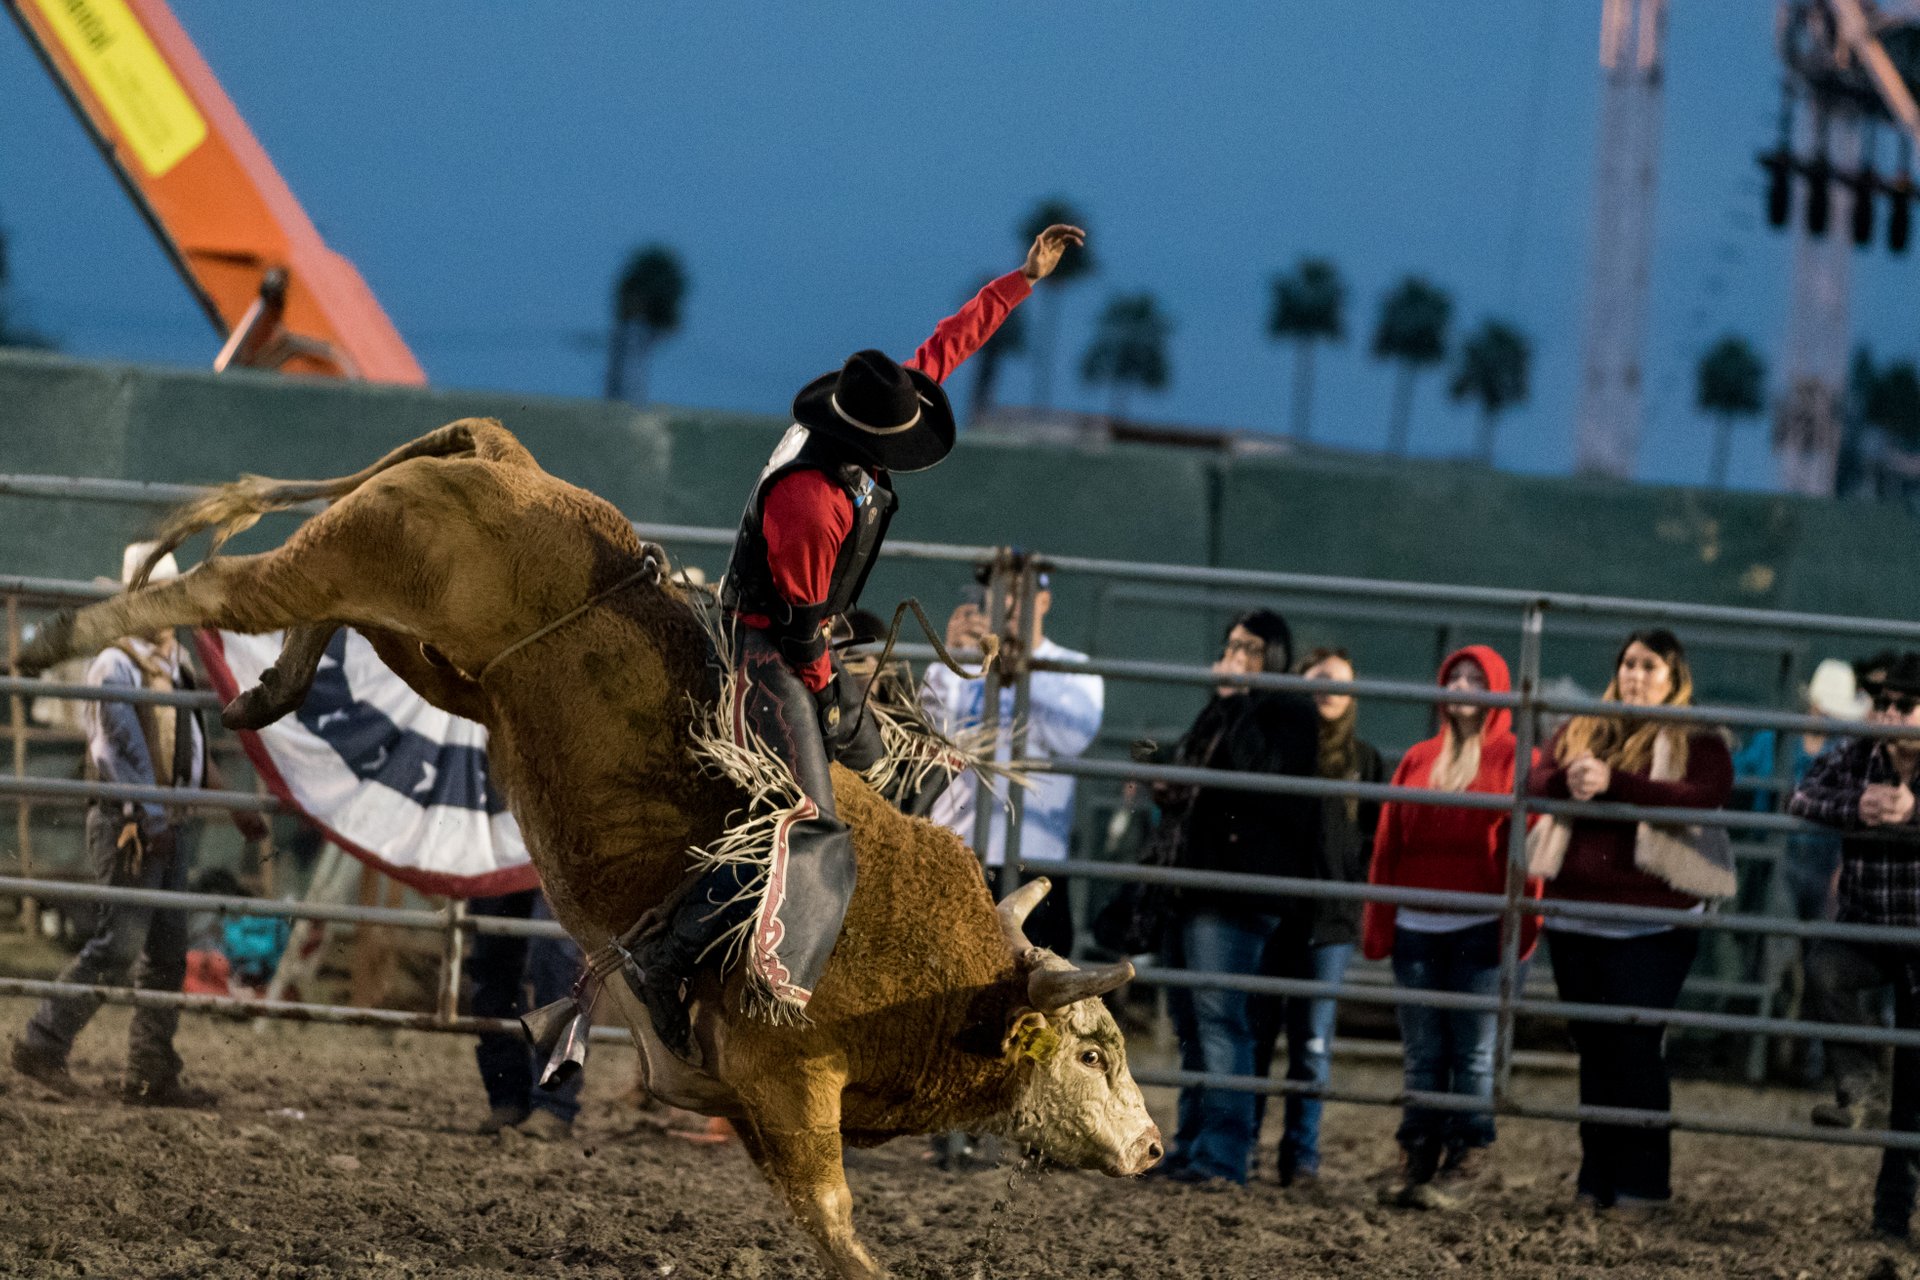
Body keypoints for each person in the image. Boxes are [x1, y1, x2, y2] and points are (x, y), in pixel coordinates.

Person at [630, 223, 1087, 1057]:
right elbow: (802, 628)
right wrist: (836, 682)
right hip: (763, 647)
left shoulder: (850, 439)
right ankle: (666, 957)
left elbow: (945, 348)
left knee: (904, 775)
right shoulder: (812, 501)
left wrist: (1019, 281)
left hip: (806, 634)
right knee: (812, 815)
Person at [11, 543, 269, 1104]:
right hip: (132, 827)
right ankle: (43, 1042)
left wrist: (230, 805)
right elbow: (112, 755)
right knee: (120, 947)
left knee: (164, 953)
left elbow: (191, 750)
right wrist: (151, 820)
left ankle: (149, 1070)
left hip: (164, 825)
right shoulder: (116, 665)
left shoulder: (172, 665)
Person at [1528, 628, 1734, 1212]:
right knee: (1594, 1047)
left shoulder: (1699, 737)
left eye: (1648, 666)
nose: (1633, 675)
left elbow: (1703, 794)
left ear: (1674, 676)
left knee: (1635, 1044)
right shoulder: (1581, 730)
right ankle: (1595, 1178)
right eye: (1627, 664)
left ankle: (1643, 1184)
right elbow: (1536, 777)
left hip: (1656, 918)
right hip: (1575, 915)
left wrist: (1613, 783)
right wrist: (1564, 779)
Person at [1364, 645, 1534, 1209]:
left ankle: (1466, 1159)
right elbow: (1388, 844)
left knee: (1474, 1053)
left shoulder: (1514, 759)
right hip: (1417, 926)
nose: (1462, 689)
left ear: (1497, 690)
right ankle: (1418, 1153)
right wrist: (1380, 922)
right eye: (1454, 678)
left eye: (1474, 679)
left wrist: (1522, 926)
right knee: (1423, 1050)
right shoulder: (1418, 758)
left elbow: (1525, 850)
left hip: (1481, 928)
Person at [1155, 610, 1321, 1185]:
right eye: (1230, 646)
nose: (1235, 657)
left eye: (1250, 648)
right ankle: (1191, 1146)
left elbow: (1258, 773)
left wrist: (1239, 699)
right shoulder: (1223, 709)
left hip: (1235, 888)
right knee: (1195, 1023)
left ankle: (1222, 1156)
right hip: (1197, 880)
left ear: (1274, 655)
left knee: (1221, 1021)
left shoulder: (1291, 711)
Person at [1249, 646, 1385, 1187]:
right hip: (1272, 915)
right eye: (1317, 679)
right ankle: (1244, 1149)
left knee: (1311, 1044)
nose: (1328, 690)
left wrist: (1354, 900)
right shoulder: (1275, 751)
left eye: (1339, 681)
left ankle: (1299, 1158)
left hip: (1328, 923)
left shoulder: (1366, 760)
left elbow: (1375, 839)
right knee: (1258, 1037)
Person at [922, 562, 1104, 955]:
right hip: (957, 852)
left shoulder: (1074, 669)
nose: (1007, 602)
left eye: (1018, 591)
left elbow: (1073, 735)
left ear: (1044, 601)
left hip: (1035, 860)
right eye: (999, 590)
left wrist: (1018, 668)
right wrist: (950, 659)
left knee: (1035, 994)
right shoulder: (960, 660)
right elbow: (928, 735)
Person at [1790, 651, 1920, 1150]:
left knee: (1916, 1082)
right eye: (1884, 702)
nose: (1890, 713)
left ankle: (1893, 1208)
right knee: (1823, 972)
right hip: (1868, 922)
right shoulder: (1859, 752)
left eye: (1905, 705)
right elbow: (1800, 796)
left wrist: (1914, 811)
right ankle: (1863, 1086)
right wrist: (1855, 807)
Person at [470, 890, 588, 1140]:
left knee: (556, 959)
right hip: (502, 858)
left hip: (551, 859)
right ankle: (509, 1095)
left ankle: (554, 1104)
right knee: (491, 956)